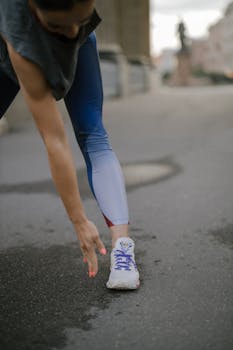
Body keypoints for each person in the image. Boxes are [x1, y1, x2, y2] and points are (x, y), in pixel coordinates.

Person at [0, 0, 140, 289]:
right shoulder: (21, 36)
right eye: (59, 26)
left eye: (81, 20)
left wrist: (72, 25)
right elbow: (54, 140)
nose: (71, 32)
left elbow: (71, 25)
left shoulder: (74, 28)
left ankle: (123, 247)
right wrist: (79, 219)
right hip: (14, 44)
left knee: (93, 134)